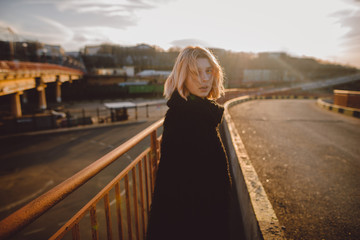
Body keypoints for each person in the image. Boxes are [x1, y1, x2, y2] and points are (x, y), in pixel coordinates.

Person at [146, 46, 232, 240]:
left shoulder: (198, 112)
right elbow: (179, 191)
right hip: (196, 227)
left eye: (208, 71)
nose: (204, 79)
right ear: (183, 76)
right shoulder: (186, 118)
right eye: (195, 73)